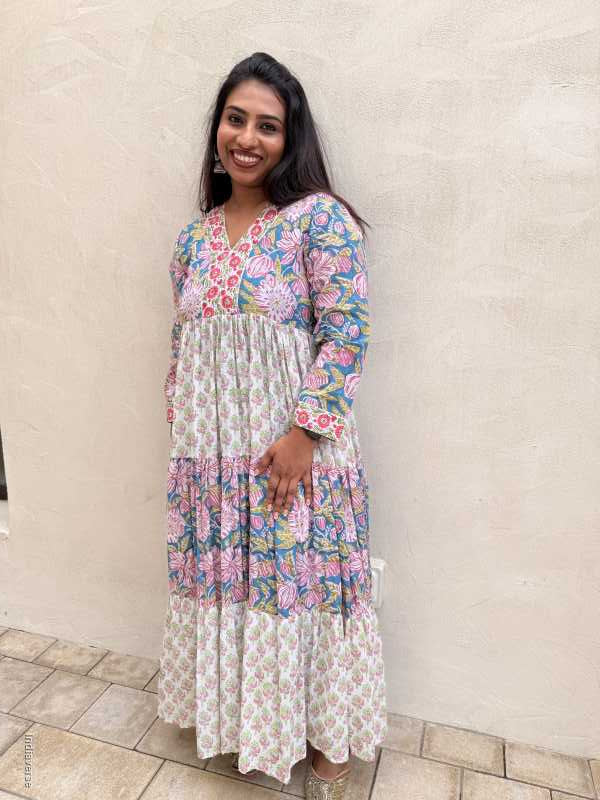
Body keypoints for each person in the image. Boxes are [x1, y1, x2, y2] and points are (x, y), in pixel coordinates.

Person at [156, 52, 387, 799]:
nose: (246, 138)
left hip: (292, 454)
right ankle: (251, 730)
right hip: (213, 461)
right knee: (238, 587)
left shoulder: (318, 219)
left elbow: (346, 331)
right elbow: (185, 345)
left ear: (291, 139)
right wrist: (184, 439)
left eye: (267, 125)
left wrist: (304, 435)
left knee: (305, 588)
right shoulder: (193, 240)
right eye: (235, 119)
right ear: (216, 127)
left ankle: (326, 745)